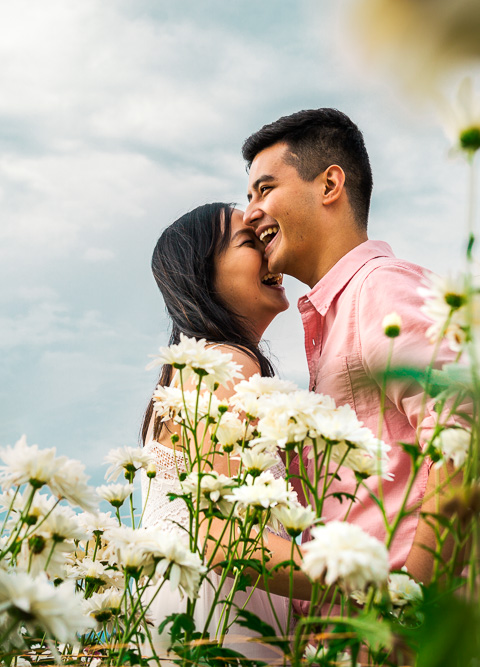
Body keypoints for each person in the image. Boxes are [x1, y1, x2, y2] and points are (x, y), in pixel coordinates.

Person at [241, 108, 461, 586]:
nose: (250, 212)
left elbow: (464, 446)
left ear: (329, 185)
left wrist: (416, 606)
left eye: (265, 188)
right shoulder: (334, 316)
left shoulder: (382, 291)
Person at [140, 202, 310, 662]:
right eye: (249, 242)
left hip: (193, 609)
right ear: (203, 276)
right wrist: (366, 582)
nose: (269, 250)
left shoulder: (191, 371)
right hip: (217, 621)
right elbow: (220, 533)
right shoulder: (226, 363)